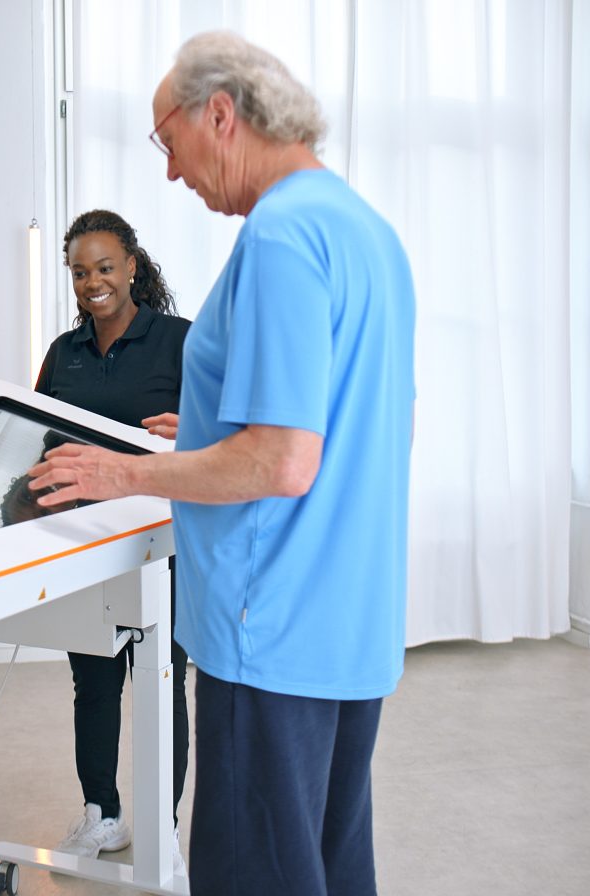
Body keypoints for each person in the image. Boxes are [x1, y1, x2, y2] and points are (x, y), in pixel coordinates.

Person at [27, 31, 415, 896]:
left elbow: (280, 461)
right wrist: (201, 432)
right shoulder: (363, 229)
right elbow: (344, 419)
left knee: (255, 874)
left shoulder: (279, 237)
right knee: (328, 861)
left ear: (221, 115)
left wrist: (124, 472)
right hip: (350, 618)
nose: (171, 172)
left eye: (169, 142)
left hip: (270, 626)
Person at [32, 209, 192, 867]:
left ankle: (164, 825)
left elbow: (235, 428)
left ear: (131, 266)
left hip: (163, 541)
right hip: (84, 543)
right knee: (93, 681)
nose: (92, 282)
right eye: (79, 272)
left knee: (161, 678)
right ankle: (104, 815)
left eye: (103, 267)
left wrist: (194, 429)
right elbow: (36, 435)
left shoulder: (179, 339)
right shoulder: (62, 354)